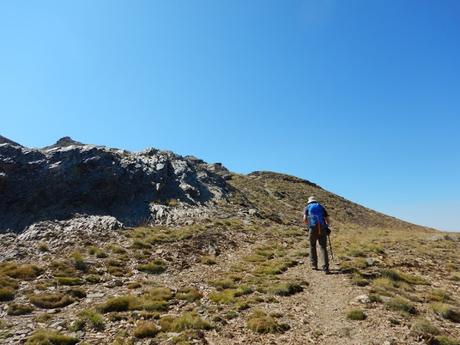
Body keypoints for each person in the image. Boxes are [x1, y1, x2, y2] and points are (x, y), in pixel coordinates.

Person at [303, 196, 331, 274]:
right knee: (323, 247)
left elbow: (304, 219)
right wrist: (326, 227)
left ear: (309, 201)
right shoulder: (321, 207)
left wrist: (308, 226)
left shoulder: (307, 207)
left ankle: (314, 265)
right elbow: (328, 220)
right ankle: (326, 268)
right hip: (322, 228)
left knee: (312, 246)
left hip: (312, 228)